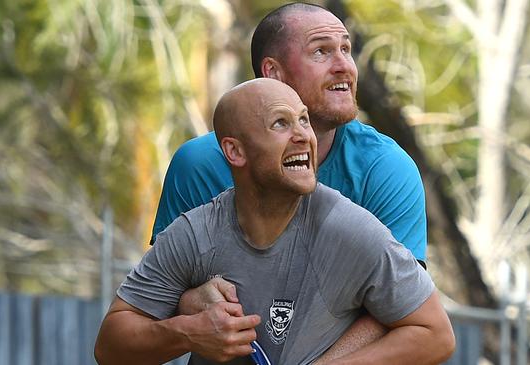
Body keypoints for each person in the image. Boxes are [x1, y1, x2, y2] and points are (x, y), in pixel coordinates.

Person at [94, 78, 455, 364]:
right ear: (235, 151)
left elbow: (434, 333)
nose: (303, 135)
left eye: (304, 121)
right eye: (281, 123)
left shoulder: (350, 229)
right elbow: (110, 346)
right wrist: (187, 333)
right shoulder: (196, 233)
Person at [151, 2, 429, 362]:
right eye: (321, 52)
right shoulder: (201, 164)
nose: (344, 64)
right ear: (273, 74)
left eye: (346, 49)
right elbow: (158, 293)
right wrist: (193, 302)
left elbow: (404, 306)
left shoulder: (386, 168)